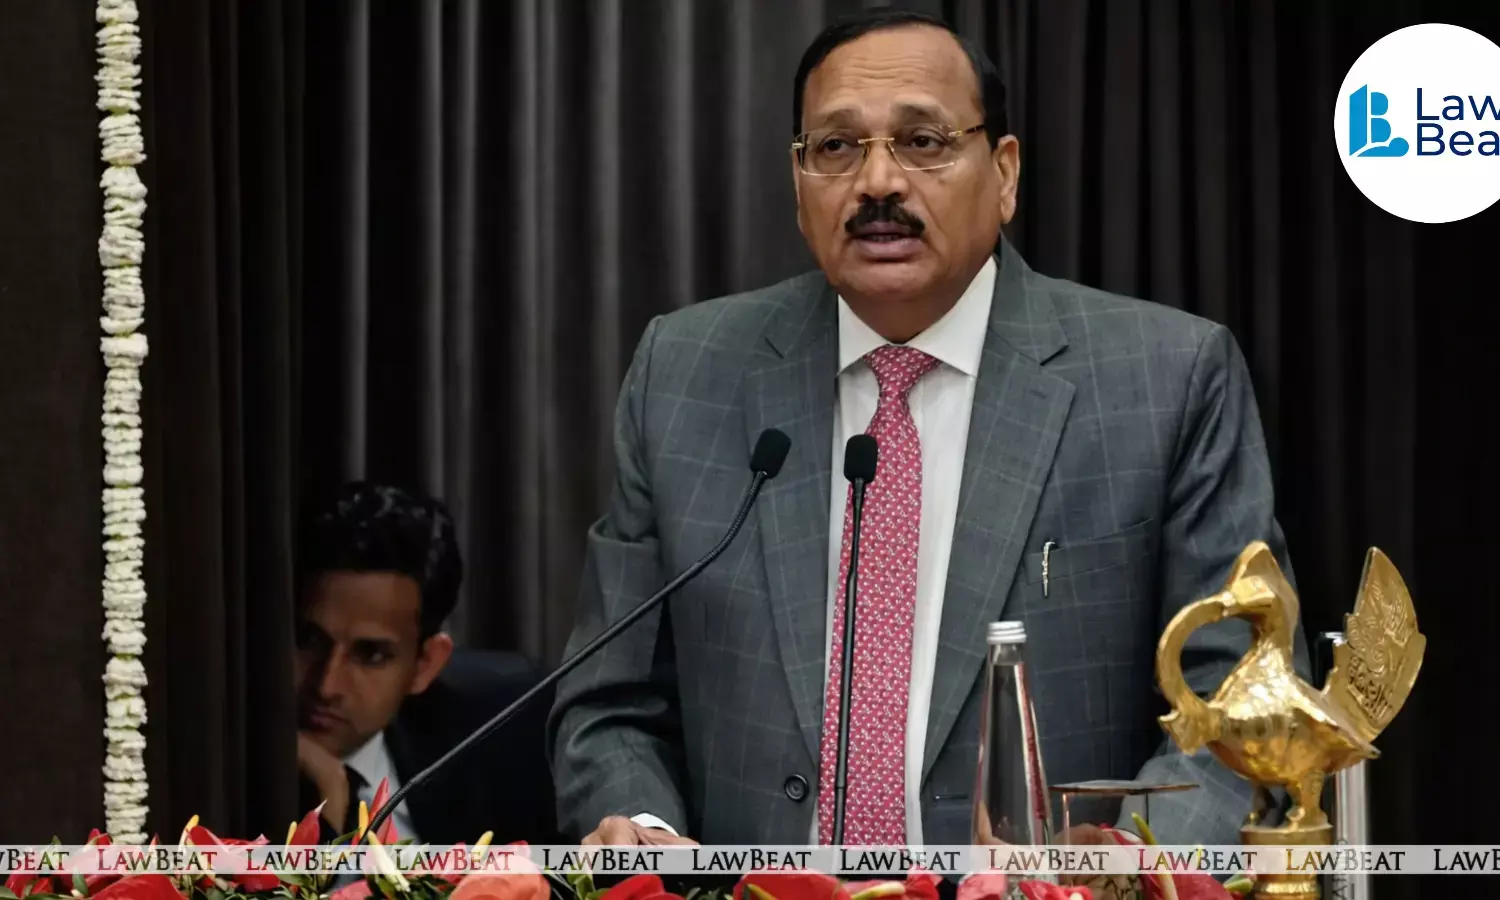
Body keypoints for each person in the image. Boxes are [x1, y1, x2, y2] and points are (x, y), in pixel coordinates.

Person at [548, 8, 1308, 849]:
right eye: (836, 148)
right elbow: (610, 703)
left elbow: (1246, 701)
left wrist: (1123, 863)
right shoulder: (686, 374)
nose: (878, 183)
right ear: (798, 182)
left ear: (1006, 173)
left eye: (923, 141)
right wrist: (645, 835)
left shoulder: (1165, 376)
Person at [295, 481, 557, 846]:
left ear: (425, 665)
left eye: (370, 655)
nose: (326, 686)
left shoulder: (502, 738)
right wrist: (325, 812)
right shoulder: (223, 768)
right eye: (309, 641)